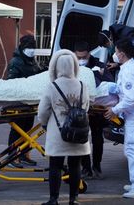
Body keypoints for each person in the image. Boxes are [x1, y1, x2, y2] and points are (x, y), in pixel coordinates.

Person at [38, 49, 90, 205]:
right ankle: (73, 199)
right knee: (75, 166)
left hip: (58, 133)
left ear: (56, 67)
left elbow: (43, 111)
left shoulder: (52, 86)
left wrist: (45, 124)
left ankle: (53, 199)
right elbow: (86, 107)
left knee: (55, 166)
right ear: (74, 66)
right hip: (79, 131)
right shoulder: (82, 85)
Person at [104, 38, 134, 199]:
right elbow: (126, 91)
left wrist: (114, 110)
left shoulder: (129, 71)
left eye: (115, 52)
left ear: (121, 54)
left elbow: (131, 98)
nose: (114, 55)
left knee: (132, 149)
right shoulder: (129, 66)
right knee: (133, 149)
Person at [74, 41, 114, 179]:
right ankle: (86, 168)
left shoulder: (99, 66)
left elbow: (109, 84)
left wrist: (94, 75)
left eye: (83, 57)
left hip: (97, 110)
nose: (81, 60)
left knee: (97, 138)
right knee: (82, 138)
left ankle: (96, 166)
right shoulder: (72, 67)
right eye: (78, 57)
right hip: (81, 111)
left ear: (89, 54)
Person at [7, 35, 43, 168]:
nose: (31, 50)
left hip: (30, 101)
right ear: (22, 48)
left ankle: (24, 155)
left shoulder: (32, 61)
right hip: (19, 102)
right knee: (17, 130)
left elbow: (37, 73)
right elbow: (11, 82)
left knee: (27, 129)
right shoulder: (15, 62)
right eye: (29, 47)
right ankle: (12, 156)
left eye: (33, 47)